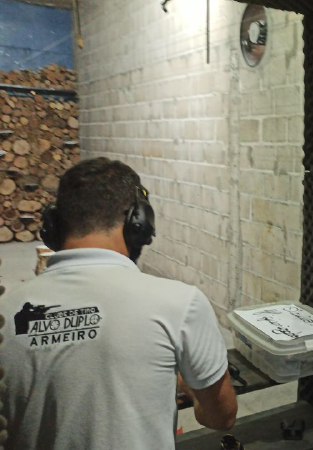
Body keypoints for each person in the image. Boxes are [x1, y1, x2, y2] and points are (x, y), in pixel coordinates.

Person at [0, 157, 237, 449]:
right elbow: (222, 417)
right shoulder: (180, 304)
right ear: (139, 222)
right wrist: (188, 387)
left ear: (52, 226)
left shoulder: (5, 313)